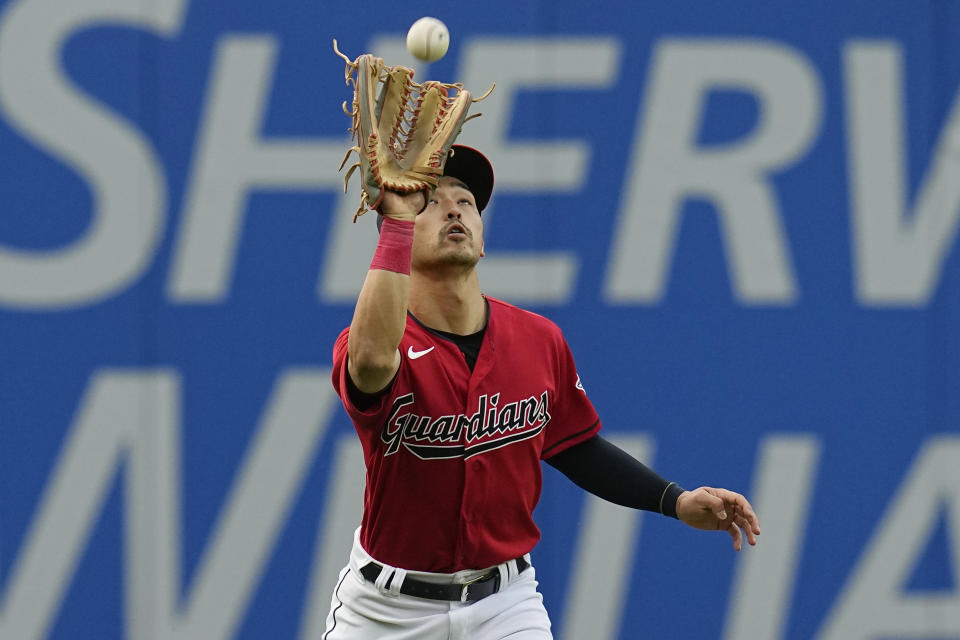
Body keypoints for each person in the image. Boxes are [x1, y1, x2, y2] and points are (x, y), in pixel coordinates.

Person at [323, 145, 760, 639]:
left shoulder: (537, 339)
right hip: (387, 612)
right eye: (429, 201)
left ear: (483, 239)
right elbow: (373, 362)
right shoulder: (378, 343)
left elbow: (576, 446)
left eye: (465, 201)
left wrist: (674, 500)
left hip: (505, 606)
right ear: (397, 238)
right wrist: (398, 223)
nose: (452, 209)